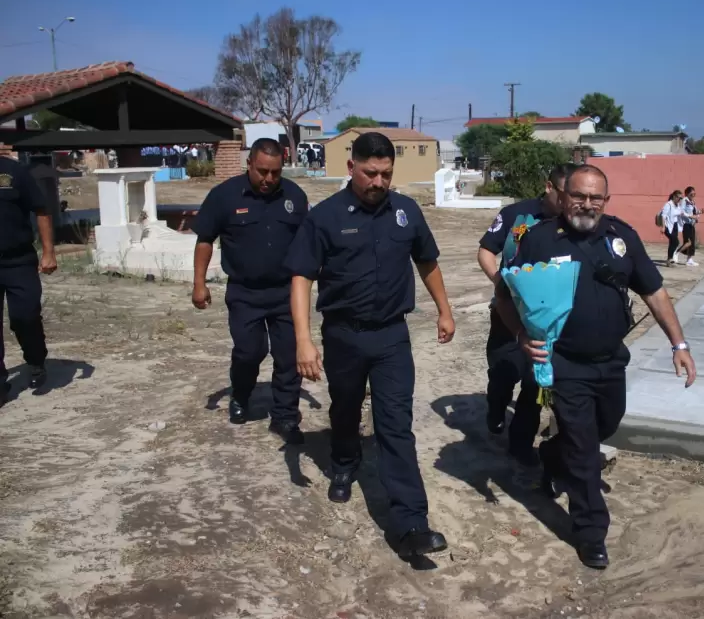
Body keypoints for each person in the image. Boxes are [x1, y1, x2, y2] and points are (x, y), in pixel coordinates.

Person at [495, 164, 696, 569]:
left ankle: (552, 456)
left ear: (606, 200)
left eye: (595, 197)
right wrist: (520, 336)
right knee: (586, 451)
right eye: (578, 196)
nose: (586, 204)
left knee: (606, 424)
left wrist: (680, 342)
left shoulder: (622, 237)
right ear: (562, 195)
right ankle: (591, 532)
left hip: (610, 360)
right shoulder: (535, 239)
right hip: (564, 362)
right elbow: (504, 294)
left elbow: (654, 291)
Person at [286, 131, 456, 560]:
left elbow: (427, 261)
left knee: (395, 424)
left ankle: (411, 523)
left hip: (392, 336)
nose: (378, 182)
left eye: (386, 174)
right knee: (344, 407)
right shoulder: (324, 217)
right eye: (370, 173)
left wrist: (444, 309)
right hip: (343, 334)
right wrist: (303, 340)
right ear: (351, 168)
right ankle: (344, 465)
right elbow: (302, 277)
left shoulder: (406, 211)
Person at [190, 138, 308, 444]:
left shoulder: (295, 196)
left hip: (286, 292)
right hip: (245, 293)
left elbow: (310, 243)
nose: (269, 179)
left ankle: (284, 416)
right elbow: (205, 239)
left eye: (275, 172)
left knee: (288, 355)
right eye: (262, 171)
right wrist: (199, 284)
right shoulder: (224, 196)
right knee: (249, 351)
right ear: (249, 165)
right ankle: (241, 396)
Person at [476, 163, 576, 464]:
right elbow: (485, 251)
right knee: (504, 372)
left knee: (536, 381)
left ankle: (520, 444)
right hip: (508, 315)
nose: (571, 202)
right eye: (565, 194)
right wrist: (501, 284)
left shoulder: (574, 223)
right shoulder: (516, 215)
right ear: (549, 187)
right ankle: (496, 407)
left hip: (549, 320)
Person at [0, 157, 57, 408]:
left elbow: (41, 209)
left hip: (18, 259)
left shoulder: (14, 172)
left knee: (25, 315)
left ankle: (35, 360)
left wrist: (49, 252)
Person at [677, 186, 703, 267]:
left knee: (692, 243)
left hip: (692, 224)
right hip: (686, 224)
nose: (693, 195)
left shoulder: (692, 202)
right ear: (687, 193)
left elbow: (694, 212)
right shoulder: (684, 201)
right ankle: (676, 253)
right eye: (692, 194)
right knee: (688, 242)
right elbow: (681, 212)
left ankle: (689, 260)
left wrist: (700, 212)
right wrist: (691, 217)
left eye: (694, 194)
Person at [659, 190, 684, 267]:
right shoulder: (668, 205)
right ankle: (669, 259)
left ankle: (669, 260)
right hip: (668, 226)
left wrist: (696, 214)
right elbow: (663, 216)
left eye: (681, 198)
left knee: (672, 242)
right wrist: (663, 227)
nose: (680, 200)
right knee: (675, 242)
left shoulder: (677, 206)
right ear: (674, 196)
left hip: (675, 226)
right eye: (679, 198)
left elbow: (682, 213)